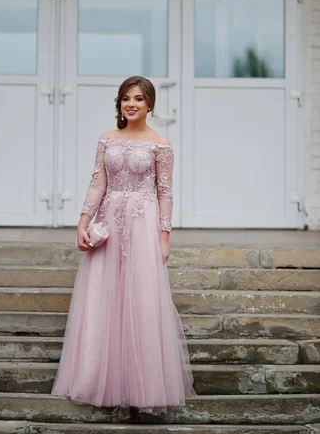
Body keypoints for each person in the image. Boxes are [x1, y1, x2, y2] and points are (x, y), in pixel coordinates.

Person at [51, 75, 197, 415]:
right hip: (109, 225)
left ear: (150, 105)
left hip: (143, 225)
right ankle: (95, 379)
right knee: (104, 298)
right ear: (119, 104)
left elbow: (165, 194)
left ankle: (141, 386)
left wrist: (164, 238)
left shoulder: (161, 144)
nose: (131, 103)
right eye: (126, 98)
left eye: (139, 98)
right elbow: (97, 183)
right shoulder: (107, 140)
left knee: (140, 301)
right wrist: (82, 222)